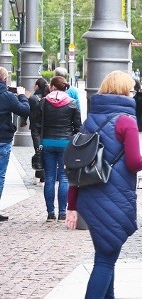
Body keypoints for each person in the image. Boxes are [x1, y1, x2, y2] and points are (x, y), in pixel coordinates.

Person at [65, 70, 142, 299]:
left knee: (105, 255)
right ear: (124, 91)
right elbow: (135, 162)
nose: (134, 94)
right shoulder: (127, 121)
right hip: (114, 198)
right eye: (131, 90)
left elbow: (76, 166)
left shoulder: (90, 121)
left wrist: (72, 205)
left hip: (90, 198)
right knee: (105, 260)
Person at [31, 76, 81, 221]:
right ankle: (62, 213)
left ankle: (50, 213)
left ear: (52, 87)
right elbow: (78, 127)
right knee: (64, 178)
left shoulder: (44, 102)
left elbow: (37, 125)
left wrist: (39, 142)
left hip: (47, 143)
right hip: (65, 144)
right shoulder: (72, 103)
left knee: (50, 178)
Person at [0, 67, 29, 222]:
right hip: (2, 139)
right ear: (5, 80)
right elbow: (24, 110)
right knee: (0, 175)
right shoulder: (7, 96)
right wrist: (22, 95)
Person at [27, 77, 50, 183]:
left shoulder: (33, 98)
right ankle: (41, 173)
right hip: (45, 128)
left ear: (37, 85)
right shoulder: (47, 97)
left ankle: (41, 174)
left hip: (35, 129)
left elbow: (27, 111)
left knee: (38, 151)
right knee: (43, 150)